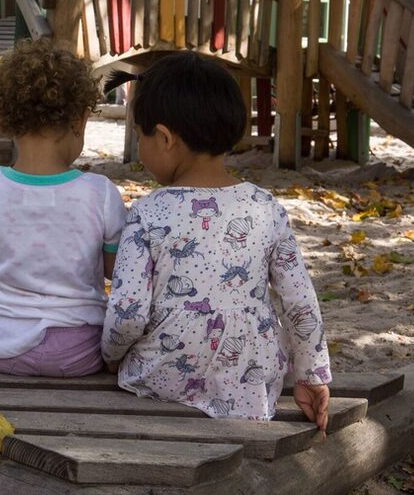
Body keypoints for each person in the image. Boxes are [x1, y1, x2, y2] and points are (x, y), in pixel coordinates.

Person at [100, 53, 332, 426]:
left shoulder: (147, 213)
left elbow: (128, 313)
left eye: (139, 136)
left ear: (163, 138)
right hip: (248, 381)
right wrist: (311, 376)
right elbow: (299, 302)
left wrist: (111, 357)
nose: (140, 148)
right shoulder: (265, 207)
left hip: (161, 380)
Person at [0, 39, 126, 377]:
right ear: (80, 121)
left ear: (8, 119)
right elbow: (114, 270)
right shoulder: (100, 193)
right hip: (74, 353)